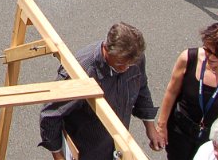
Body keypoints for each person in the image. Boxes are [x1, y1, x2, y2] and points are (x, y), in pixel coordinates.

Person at [39, 23, 163, 159]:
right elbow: (51, 114)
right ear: (106, 49)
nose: (126, 68)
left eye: (130, 64)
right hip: (86, 149)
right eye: (120, 64)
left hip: (115, 147)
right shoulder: (82, 72)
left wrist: (150, 127)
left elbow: (141, 87)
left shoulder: (134, 58)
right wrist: (58, 156)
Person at [156, 23, 218, 160]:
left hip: (215, 142)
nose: (210, 57)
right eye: (207, 50)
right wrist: (161, 126)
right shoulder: (188, 58)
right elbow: (171, 91)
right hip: (180, 131)